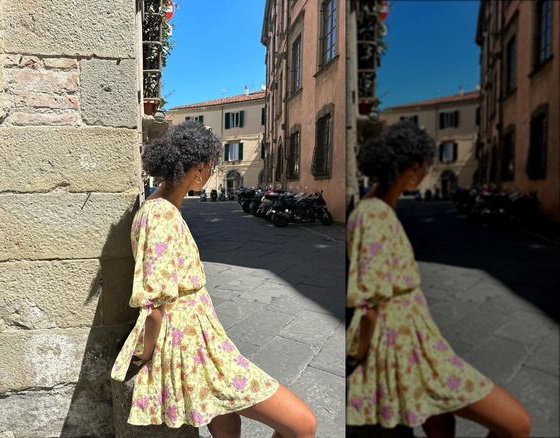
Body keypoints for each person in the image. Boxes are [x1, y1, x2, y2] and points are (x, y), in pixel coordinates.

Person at [111, 120, 317, 438]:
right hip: (193, 350)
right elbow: (153, 307)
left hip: (204, 345)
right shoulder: (161, 217)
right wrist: (149, 357)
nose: (208, 175)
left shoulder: (157, 209)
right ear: (199, 169)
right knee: (303, 424)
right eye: (210, 167)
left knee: (227, 422)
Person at [345, 121, 531, 437]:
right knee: (517, 424)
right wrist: (358, 360)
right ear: (414, 169)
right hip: (403, 347)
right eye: (426, 167)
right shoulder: (375, 215)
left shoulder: (373, 211)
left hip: (418, 342)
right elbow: (370, 307)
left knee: (443, 422)